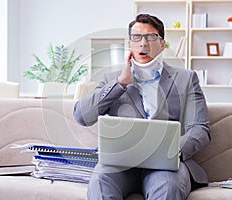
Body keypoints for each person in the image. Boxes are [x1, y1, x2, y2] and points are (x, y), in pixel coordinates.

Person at [73, 13, 211, 200]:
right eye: (136, 37)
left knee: (168, 187)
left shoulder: (186, 79)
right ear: (130, 44)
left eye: (151, 37)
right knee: (100, 183)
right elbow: (82, 116)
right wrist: (120, 83)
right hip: (120, 165)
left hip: (165, 166)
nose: (143, 44)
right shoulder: (111, 79)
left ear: (162, 44)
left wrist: (172, 151)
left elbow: (200, 128)